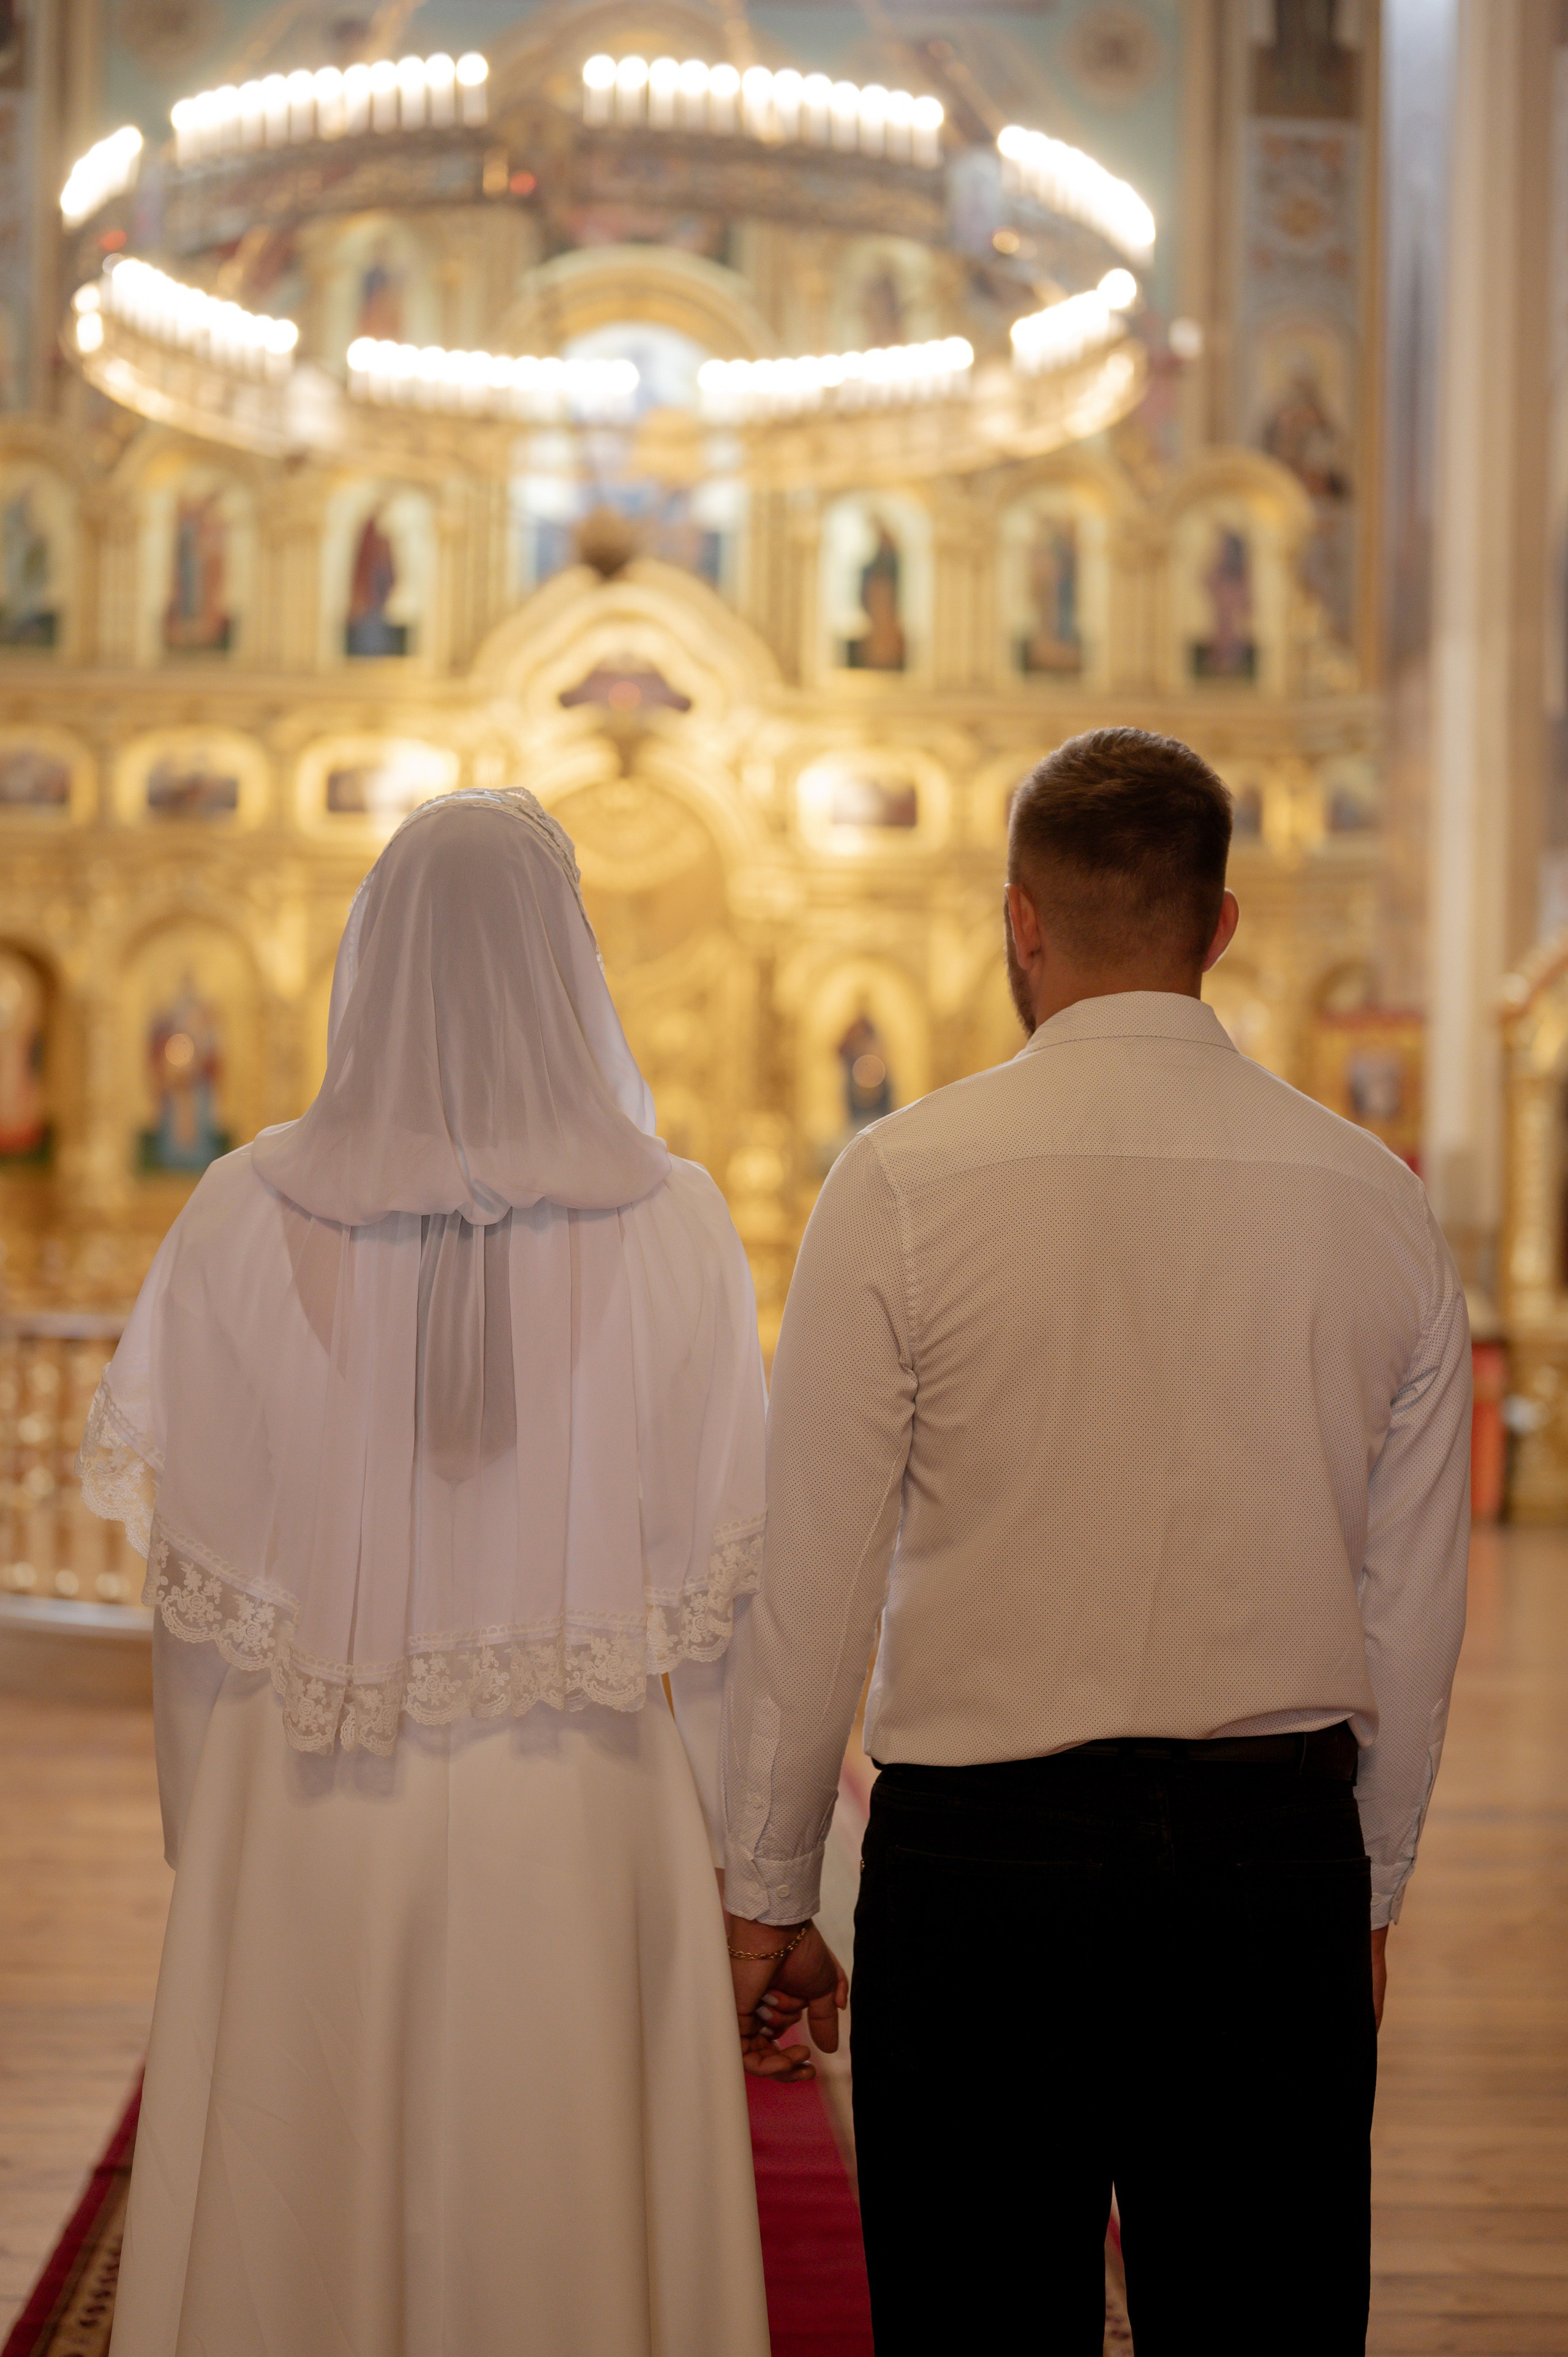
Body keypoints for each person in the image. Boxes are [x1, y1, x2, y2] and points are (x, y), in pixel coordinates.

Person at [722, 727, 1471, 2354]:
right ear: (1221, 925)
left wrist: (769, 1887)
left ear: (1019, 920)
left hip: (979, 1868)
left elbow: (815, 1573)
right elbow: (1412, 1600)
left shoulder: (899, 1180)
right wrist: (1371, 1886)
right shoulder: (1373, 1198)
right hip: (1272, 1864)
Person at [81, 788, 772, 2357]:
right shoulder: (678, 1225)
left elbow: (194, 1595)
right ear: (569, 967)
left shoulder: (235, 1215)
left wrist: (207, 1825)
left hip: (306, 1796)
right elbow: (730, 1602)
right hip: (582, 1809)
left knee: (301, 2204)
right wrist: (752, 1870)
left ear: (368, 960)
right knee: (565, 2203)